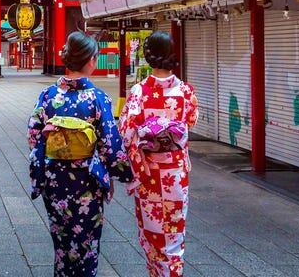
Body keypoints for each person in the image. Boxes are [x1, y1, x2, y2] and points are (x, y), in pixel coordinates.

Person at [28, 31, 131, 277]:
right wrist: (124, 173)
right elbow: (110, 143)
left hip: (55, 179)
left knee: (62, 242)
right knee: (86, 244)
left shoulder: (49, 96)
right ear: (91, 60)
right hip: (86, 181)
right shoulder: (97, 98)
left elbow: (34, 135)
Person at [119, 31, 198, 277]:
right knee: (174, 233)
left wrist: (146, 139)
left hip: (149, 173)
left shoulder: (139, 92)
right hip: (175, 173)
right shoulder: (186, 92)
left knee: (152, 234)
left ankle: (156, 272)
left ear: (148, 55)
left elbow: (126, 131)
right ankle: (173, 271)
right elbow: (191, 122)